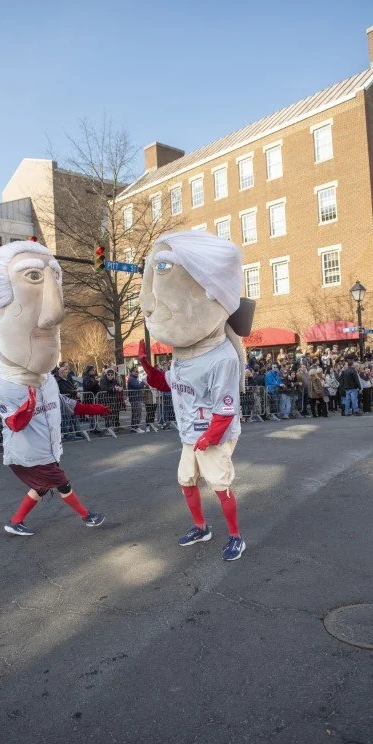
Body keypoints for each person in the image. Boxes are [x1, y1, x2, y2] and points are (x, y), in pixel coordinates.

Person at [0, 237, 110, 536]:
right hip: (27, 456)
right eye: (34, 276)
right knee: (61, 483)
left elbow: (63, 404)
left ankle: (15, 522)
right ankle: (87, 516)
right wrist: (26, 404)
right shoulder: (3, 387)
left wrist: (93, 408)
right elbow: (13, 422)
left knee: (39, 490)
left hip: (49, 448)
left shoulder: (46, 379)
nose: (52, 316)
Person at [138, 229, 255, 562]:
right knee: (185, 479)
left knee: (220, 484)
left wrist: (209, 439)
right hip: (191, 433)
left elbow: (226, 408)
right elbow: (169, 384)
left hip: (211, 434)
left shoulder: (222, 356)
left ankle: (236, 536)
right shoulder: (183, 355)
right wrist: (148, 367)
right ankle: (201, 527)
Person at [99, 368, 122, 433]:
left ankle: (112, 428)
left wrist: (120, 388)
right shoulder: (103, 380)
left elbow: (119, 386)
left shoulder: (114, 380)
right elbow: (103, 388)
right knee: (107, 414)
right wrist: (113, 389)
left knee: (113, 414)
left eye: (111, 375)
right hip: (105, 400)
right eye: (108, 375)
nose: (110, 376)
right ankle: (108, 428)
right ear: (106, 375)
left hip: (113, 400)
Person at [127, 365, 146, 433]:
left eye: (138, 372)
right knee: (136, 413)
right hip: (135, 399)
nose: (137, 373)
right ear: (132, 372)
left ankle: (134, 427)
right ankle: (135, 427)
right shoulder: (132, 379)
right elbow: (138, 386)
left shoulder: (134, 379)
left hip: (136, 398)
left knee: (137, 413)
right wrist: (143, 382)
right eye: (136, 372)